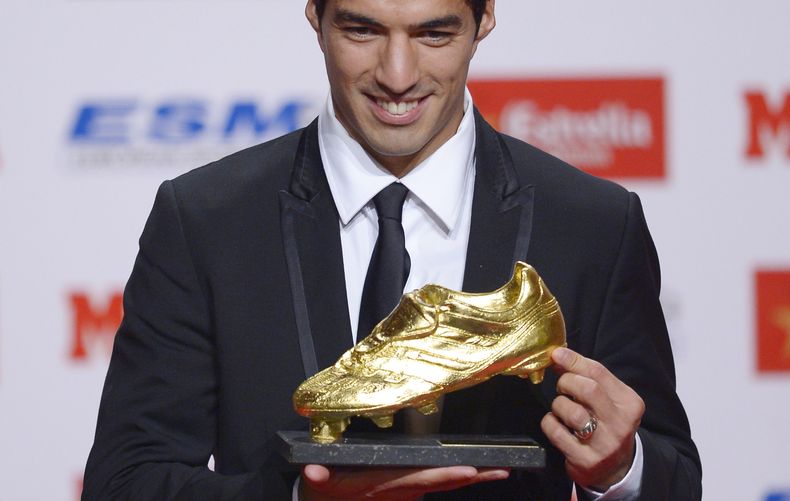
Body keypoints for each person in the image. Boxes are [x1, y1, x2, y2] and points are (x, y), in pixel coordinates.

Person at [82, 0, 702, 499]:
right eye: (362, 29)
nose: (397, 75)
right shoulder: (206, 220)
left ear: (485, 17)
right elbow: (125, 483)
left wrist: (623, 470)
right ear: (314, 15)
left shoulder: (593, 223)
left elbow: (675, 477)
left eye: (434, 33)